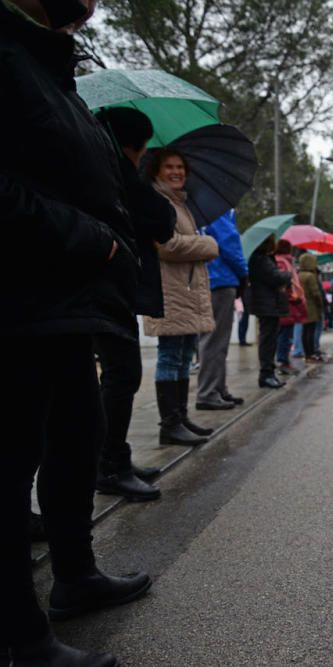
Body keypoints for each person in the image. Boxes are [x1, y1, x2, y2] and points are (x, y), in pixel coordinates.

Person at [1, 1, 153, 663]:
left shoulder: (51, 70)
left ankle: (76, 574)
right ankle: (19, 634)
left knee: (77, 435)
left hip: (66, 302)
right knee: (10, 465)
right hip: (18, 299)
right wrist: (98, 242)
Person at [90, 107, 176, 502]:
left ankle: (113, 458)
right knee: (120, 376)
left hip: (109, 287)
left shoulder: (110, 168)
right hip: (100, 288)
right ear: (137, 148)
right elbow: (160, 218)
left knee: (120, 376)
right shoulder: (110, 170)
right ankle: (108, 465)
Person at [143, 148, 219, 446]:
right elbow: (166, 245)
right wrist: (207, 244)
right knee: (171, 356)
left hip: (186, 291)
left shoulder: (180, 203)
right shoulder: (158, 203)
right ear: (156, 172)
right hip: (170, 291)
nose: (176, 172)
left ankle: (181, 417)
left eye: (180, 167)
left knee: (185, 357)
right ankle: (169, 424)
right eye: (169, 167)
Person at [196, 209, 249, 410]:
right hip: (220, 278)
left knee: (217, 340)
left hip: (211, 278)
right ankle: (209, 392)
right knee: (215, 340)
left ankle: (218, 388)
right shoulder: (216, 210)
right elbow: (229, 242)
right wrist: (244, 272)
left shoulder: (203, 209)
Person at [246, 235, 291, 388]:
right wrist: (288, 274)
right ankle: (266, 374)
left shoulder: (263, 258)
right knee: (268, 339)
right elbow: (274, 277)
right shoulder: (260, 259)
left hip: (268, 303)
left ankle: (268, 373)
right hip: (267, 303)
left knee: (270, 338)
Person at [274, 239, 305, 375]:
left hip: (288, 301)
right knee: (284, 333)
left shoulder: (285, 261)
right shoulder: (282, 262)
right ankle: (282, 361)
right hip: (287, 301)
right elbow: (283, 281)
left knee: (287, 332)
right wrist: (291, 294)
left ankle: (284, 360)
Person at [298, 253, 324, 361]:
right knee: (311, 331)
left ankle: (306, 353)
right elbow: (316, 293)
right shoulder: (310, 276)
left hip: (301, 305)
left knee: (304, 331)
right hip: (311, 306)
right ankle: (311, 353)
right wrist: (320, 304)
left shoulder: (298, 275)